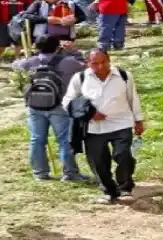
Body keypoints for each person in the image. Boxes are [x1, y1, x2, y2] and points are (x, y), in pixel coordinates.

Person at [62, 49, 145, 205]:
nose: (100, 67)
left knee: (124, 155)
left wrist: (138, 120)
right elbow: (67, 102)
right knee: (98, 161)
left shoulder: (124, 76)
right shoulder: (80, 78)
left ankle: (125, 188)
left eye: (103, 62)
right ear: (87, 63)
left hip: (121, 122)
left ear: (109, 60)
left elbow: (133, 98)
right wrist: (90, 114)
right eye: (95, 63)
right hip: (93, 127)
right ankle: (108, 190)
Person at [11, 35, 89, 182]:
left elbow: (14, 65)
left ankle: (40, 173)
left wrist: (29, 56)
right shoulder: (69, 62)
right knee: (64, 140)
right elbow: (85, 65)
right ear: (57, 46)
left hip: (35, 106)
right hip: (60, 106)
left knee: (37, 139)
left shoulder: (30, 62)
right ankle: (70, 173)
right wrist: (73, 51)